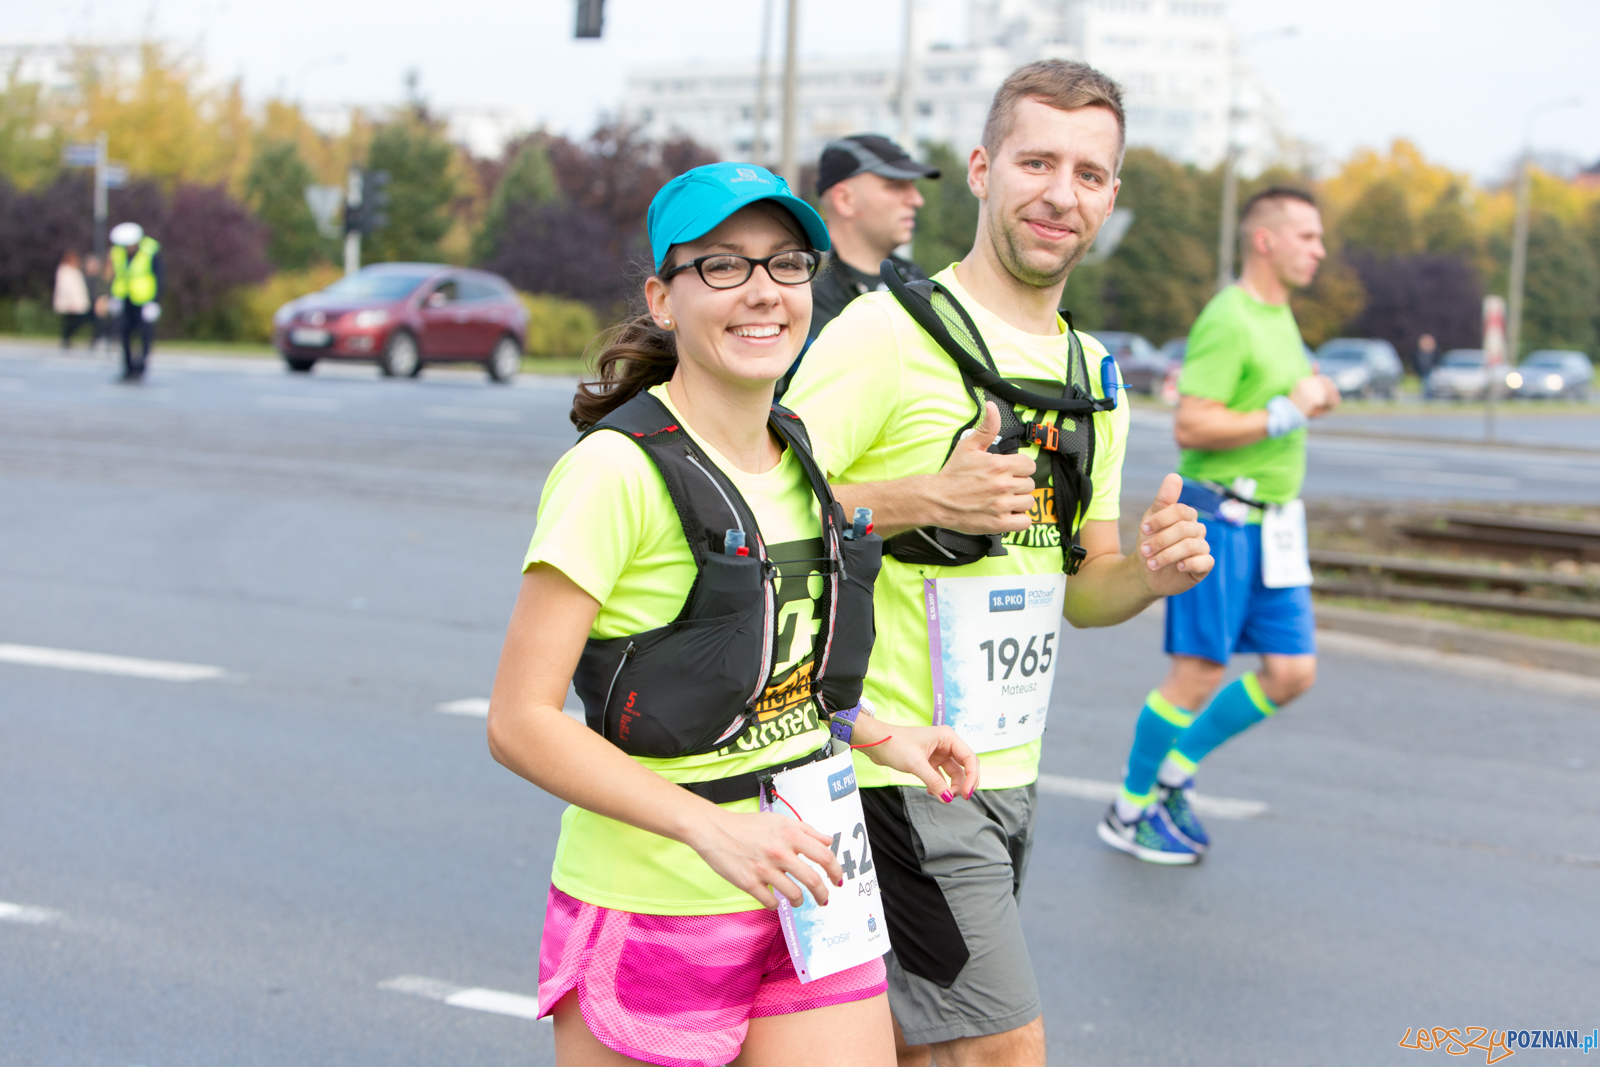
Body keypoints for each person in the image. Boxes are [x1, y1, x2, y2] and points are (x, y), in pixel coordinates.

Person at [485, 161, 981, 1067]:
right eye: (722, 265)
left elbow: (769, 666)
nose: (762, 290)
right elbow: (519, 722)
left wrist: (879, 734)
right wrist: (708, 826)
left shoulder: (799, 454)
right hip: (655, 903)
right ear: (663, 300)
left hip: (812, 887)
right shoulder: (613, 472)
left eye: (786, 263)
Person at [782, 61, 1214, 1067]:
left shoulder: (1095, 376)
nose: (1061, 194)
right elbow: (753, 510)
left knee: (908, 1045)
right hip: (886, 768)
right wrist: (923, 499)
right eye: (1036, 162)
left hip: (1007, 771)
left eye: (1089, 174)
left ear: (1110, 196)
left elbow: (1084, 587)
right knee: (1001, 1046)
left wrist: (1150, 575)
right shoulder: (887, 335)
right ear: (981, 170)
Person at [1098, 186, 1340, 866]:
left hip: (1275, 529)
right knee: (1199, 673)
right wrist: (1288, 411)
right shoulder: (1228, 317)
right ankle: (1129, 809)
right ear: (1265, 240)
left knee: (1291, 672)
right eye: (1307, 237)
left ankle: (1175, 774)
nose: (1319, 250)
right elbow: (1193, 423)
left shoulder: (1280, 316)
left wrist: (1310, 397)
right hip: (1218, 520)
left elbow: (1276, 399)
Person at [806, 134, 941, 346]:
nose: (917, 200)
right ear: (845, 199)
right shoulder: (802, 286)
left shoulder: (915, 278)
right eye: (896, 185)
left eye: (913, 186)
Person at [108, 221, 163, 381]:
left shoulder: (150, 251)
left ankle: (141, 368)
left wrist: (155, 302)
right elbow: (116, 276)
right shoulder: (118, 252)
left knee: (145, 336)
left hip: (144, 301)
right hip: (125, 300)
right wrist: (114, 297)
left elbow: (160, 277)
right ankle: (128, 368)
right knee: (124, 334)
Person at [53, 251, 92, 348]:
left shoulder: (75, 271)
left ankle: (66, 338)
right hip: (71, 303)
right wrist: (69, 301)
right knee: (71, 321)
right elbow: (64, 289)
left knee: (74, 321)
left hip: (77, 302)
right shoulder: (65, 272)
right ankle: (66, 339)